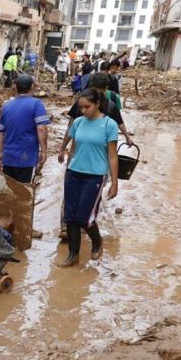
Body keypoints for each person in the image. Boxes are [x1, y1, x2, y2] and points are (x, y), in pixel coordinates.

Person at [57, 88, 119, 266]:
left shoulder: (109, 125)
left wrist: (114, 183)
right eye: (80, 107)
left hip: (95, 175)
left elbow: (112, 155)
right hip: (74, 172)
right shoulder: (77, 123)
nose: (83, 111)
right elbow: (74, 146)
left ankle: (97, 241)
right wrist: (67, 165)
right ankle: (73, 255)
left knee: (85, 217)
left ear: (98, 104)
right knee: (70, 215)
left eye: (87, 107)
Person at [0, 74, 50, 184]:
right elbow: (42, 128)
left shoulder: (6, 106)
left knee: (10, 191)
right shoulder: (36, 104)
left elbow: (0, 131)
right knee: (24, 192)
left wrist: (1, 151)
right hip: (26, 158)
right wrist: (44, 151)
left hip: (8, 157)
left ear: (16, 87)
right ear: (32, 87)